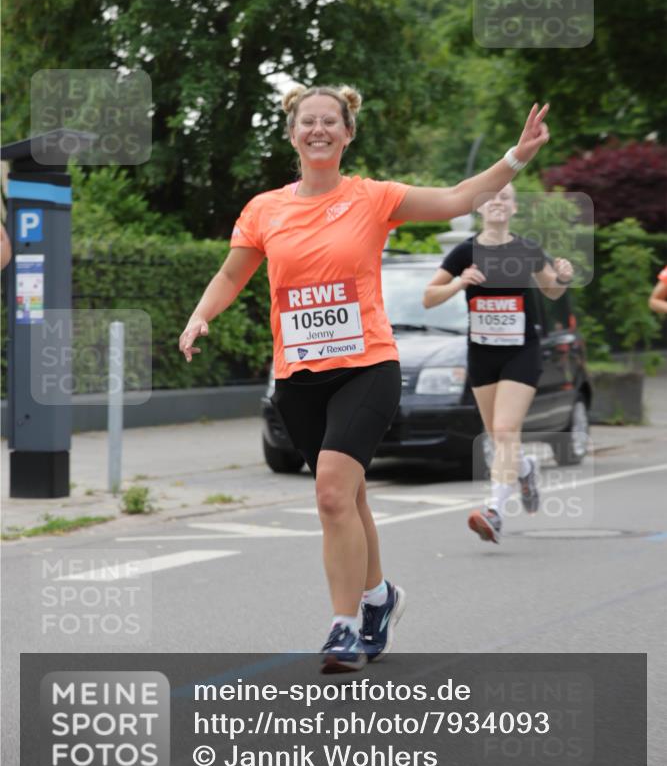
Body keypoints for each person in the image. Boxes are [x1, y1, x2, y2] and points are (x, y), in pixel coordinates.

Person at [180, 86, 550, 670]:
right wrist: (201, 316)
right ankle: (380, 598)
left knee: (330, 493)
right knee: (347, 499)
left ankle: (344, 626)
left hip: (367, 365)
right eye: (309, 122)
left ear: (348, 134)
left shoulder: (373, 197)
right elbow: (231, 276)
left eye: (331, 121)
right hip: (298, 374)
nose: (319, 129)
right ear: (293, 133)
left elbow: (457, 198)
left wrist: (516, 156)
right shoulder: (263, 209)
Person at [423, 183, 574, 545]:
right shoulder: (464, 252)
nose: (497, 202)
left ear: (514, 209)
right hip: (482, 352)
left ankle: (494, 512)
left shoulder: (526, 249)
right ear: (479, 207)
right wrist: (460, 282)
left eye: (505, 198)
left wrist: (564, 277)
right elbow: (429, 297)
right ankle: (525, 468)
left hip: (522, 351)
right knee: (497, 436)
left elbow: (552, 290)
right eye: (491, 197)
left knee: (505, 431)